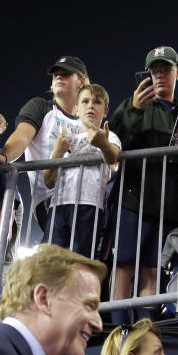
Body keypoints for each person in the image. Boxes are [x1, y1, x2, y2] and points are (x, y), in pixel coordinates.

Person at [108, 46, 178, 321]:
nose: (160, 75)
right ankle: (121, 334)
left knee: (152, 268)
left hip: (165, 201)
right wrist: (134, 109)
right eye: (154, 71)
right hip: (133, 198)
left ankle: (144, 334)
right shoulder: (133, 104)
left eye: (166, 69)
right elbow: (113, 141)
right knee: (125, 267)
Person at [0, 56, 89, 237]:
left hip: (89, 198)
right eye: (55, 75)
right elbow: (22, 136)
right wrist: (4, 156)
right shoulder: (41, 108)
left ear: (81, 80)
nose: (59, 77)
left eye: (65, 74)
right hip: (53, 200)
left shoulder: (89, 119)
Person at [42, 84, 121, 257]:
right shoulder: (64, 140)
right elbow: (48, 181)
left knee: (81, 261)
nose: (91, 106)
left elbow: (113, 157)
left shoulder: (109, 136)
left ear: (106, 111)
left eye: (97, 102)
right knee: (49, 261)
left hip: (89, 206)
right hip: (59, 207)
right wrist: (57, 153)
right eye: (85, 101)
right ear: (76, 109)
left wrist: (103, 144)